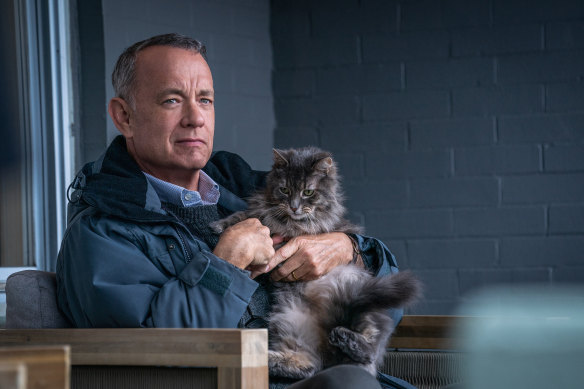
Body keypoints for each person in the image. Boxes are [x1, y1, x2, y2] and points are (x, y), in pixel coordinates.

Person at [56, 33, 413, 389]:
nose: (195, 118)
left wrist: (348, 249)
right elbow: (152, 358)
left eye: (205, 100)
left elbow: (390, 300)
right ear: (124, 117)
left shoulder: (248, 192)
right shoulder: (100, 232)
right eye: (171, 100)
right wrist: (224, 265)